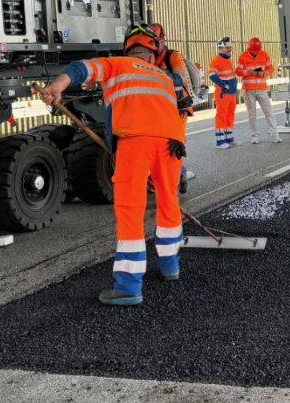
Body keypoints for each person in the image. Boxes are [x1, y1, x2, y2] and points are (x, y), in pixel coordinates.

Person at [38, 25, 188, 306]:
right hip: (171, 143)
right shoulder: (164, 76)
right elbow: (179, 109)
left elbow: (81, 69)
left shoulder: (117, 63)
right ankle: (171, 267)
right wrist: (179, 140)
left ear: (128, 50)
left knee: (131, 209)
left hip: (135, 140)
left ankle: (129, 286)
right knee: (169, 203)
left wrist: (56, 87)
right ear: (154, 54)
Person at [149, 23, 195, 192]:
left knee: (172, 148)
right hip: (159, 109)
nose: (152, 46)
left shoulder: (173, 57)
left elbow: (180, 78)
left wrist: (155, 75)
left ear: (161, 39)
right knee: (160, 148)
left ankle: (171, 193)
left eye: (154, 41)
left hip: (178, 108)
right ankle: (180, 176)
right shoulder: (148, 58)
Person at [236, 37, 282, 144]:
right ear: (249, 48)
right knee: (252, 114)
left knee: (269, 112)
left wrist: (264, 73)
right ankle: (255, 136)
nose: (255, 52)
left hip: (261, 89)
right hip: (248, 90)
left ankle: (275, 135)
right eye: (253, 50)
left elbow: (271, 68)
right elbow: (238, 71)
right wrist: (248, 72)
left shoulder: (264, 55)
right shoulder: (242, 56)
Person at [209, 37, 239, 149]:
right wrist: (223, 85)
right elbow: (211, 75)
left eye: (230, 47)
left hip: (231, 93)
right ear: (220, 48)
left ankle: (229, 138)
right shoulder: (216, 60)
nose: (229, 49)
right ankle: (220, 141)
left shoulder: (227, 59)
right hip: (224, 93)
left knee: (230, 115)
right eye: (227, 47)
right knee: (221, 115)